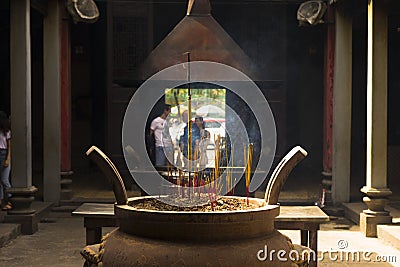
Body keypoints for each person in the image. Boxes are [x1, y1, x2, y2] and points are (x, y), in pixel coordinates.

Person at [0, 111, 12, 211]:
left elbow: (9, 146)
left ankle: (10, 199)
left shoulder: (6, 131)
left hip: (3, 153)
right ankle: (1, 200)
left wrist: (7, 158)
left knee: (4, 180)